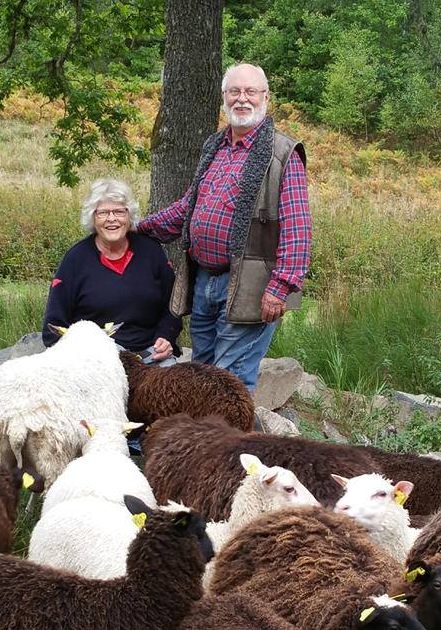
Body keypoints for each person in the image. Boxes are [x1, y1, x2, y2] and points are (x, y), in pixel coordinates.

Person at [138, 62, 311, 391]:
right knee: (202, 374)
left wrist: (281, 287)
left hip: (251, 285)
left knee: (228, 381)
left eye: (250, 92)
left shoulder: (283, 153)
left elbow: (297, 231)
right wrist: (139, 228)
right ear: (224, 97)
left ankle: (230, 443)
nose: (242, 99)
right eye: (234, 91)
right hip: (205, 281)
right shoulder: (215, 147)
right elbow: (188, 208)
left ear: (265, 97)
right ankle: (208, 441)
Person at [42, 178, 181, 364]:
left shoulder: (151, 251)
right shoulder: (75, 260)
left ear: (129, 216)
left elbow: (172, 307)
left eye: (119, 212)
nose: (112, 219)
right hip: (98, 359)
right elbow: (53, 327)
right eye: (103, 213)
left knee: (178, 387)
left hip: (150, 354)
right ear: (93, 217)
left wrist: (166, 337)